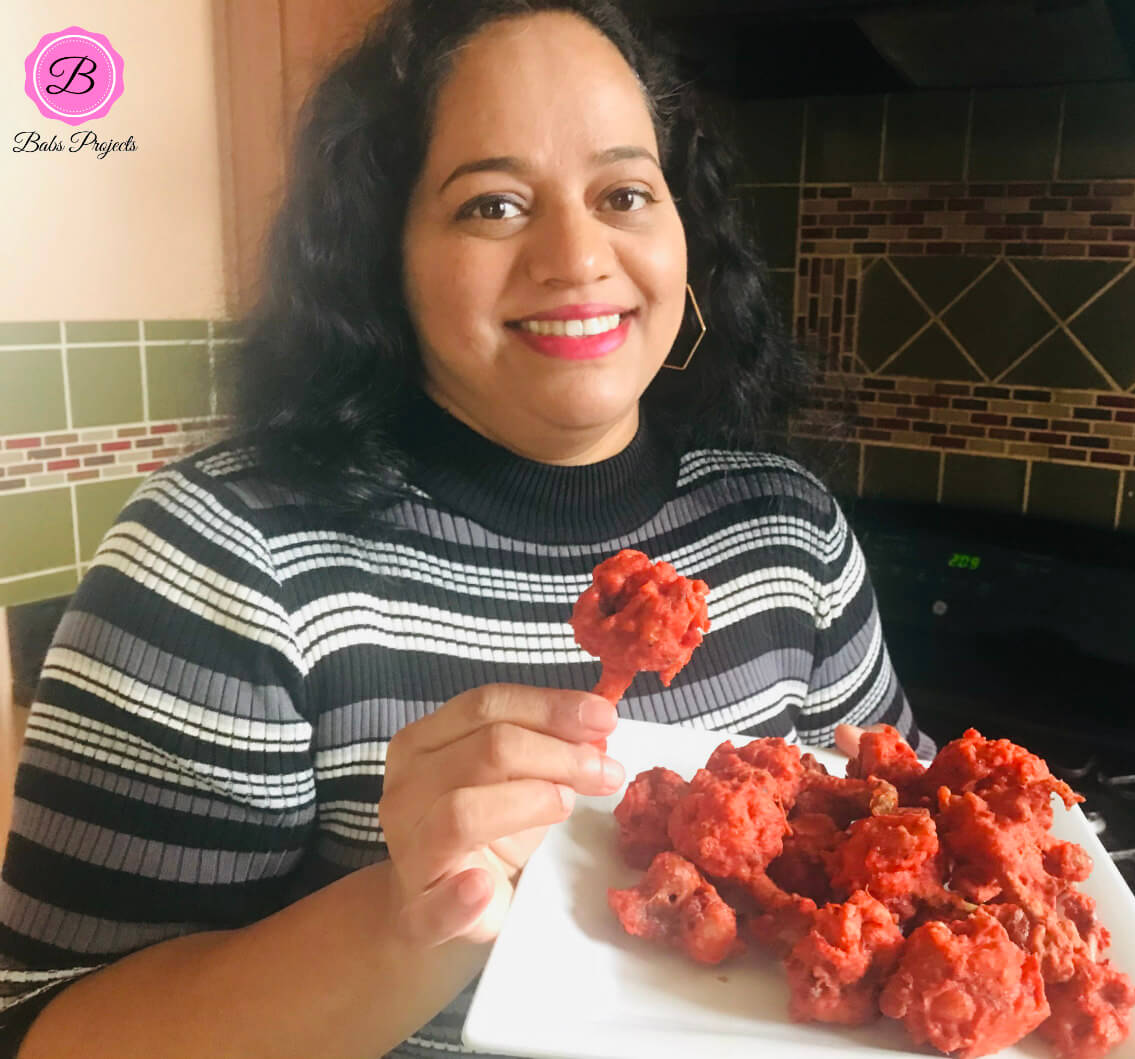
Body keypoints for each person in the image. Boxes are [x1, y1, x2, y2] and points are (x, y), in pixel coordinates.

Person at [0, 2, 930, 1056]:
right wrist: (409, 919)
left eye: (625, 192)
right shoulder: (226, 557)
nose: (578, 256)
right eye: (492, 205)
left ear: (686, 234)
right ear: (381, 256)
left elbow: (902, 867)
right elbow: (51, 1030)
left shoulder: (789, 533)